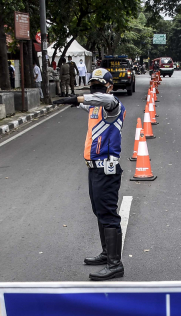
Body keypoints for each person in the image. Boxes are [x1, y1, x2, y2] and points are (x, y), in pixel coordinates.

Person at [52, 69, 126, 281]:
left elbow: (101, 98)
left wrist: (76, 97)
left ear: (110, 86)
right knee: (99, 211)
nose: (96, 87)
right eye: (93, 83)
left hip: (107, 168)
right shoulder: (95, 108)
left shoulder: (112, 105)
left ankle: (115, 264)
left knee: (108, 213)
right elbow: (88, 103)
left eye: (100, 84)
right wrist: (71, 102)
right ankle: (106, 254)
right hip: (94, 167)